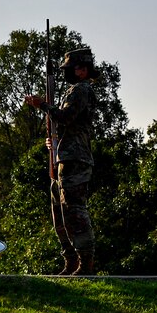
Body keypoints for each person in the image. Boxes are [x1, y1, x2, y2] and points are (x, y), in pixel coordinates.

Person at [25, 47, 97, 276]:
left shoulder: (81, 90)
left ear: (83, 70)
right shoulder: (73, 90)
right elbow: (65, 125)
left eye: (70, 68)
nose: (66, 73)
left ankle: (85, 263)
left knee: (74, 210)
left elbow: (66, 117)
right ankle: (71, 260)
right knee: (60, 212)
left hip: (75, 158)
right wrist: (54, 142)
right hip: (64, 156)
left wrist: (42, 105)